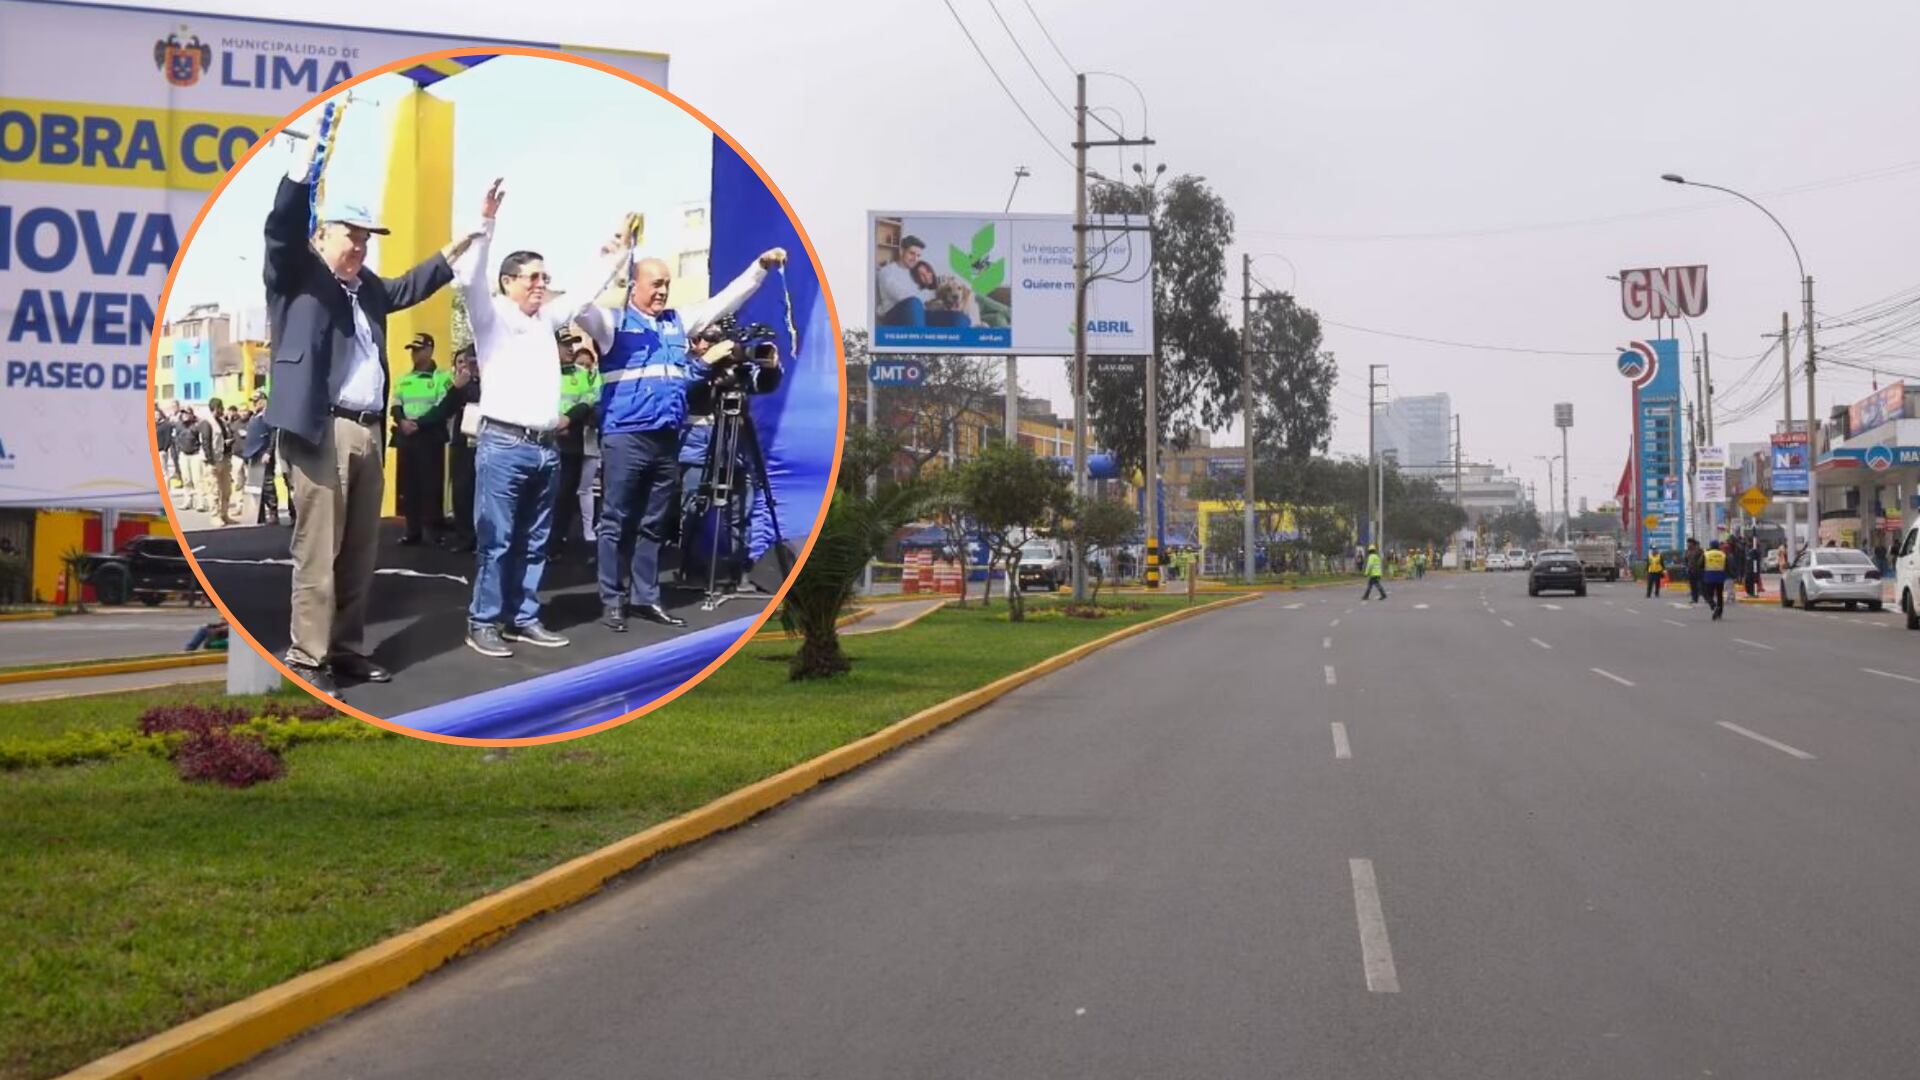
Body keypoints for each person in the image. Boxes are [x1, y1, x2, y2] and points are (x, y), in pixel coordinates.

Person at [262, 131, 473, 695]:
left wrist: (463, 243)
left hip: (367, 431)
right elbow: (281, 230)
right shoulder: (297, 275)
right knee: (318, 551)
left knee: (359, 553)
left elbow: (410, 286)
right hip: (321, 428)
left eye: (365, 239)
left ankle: (346, 649)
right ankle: (308, 657)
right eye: (350, 236)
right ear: (321, 236)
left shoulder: (368, 289)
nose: (359, 247)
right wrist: (302, 168)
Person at [454, 179, 626, 657]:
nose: (540, 285)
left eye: (544, 278)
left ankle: (522, 617)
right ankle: (484, 621)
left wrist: (615, 255)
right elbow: (470, 280)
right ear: (508, 282)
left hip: (544, 448)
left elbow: (583, 295)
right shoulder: (491, 317)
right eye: (532, 277)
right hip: (503, 446)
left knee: (534, 540)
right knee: (497, 540)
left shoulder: (545, 321)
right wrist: (486, 222)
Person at [580, 242, 787, 633]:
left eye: (666, 284)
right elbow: (579, 303)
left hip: (665, 440)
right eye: (655, 284)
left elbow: (726, 300)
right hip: (625, 437)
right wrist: (609, 257)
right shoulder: (612, 323)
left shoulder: (677, 322)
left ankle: (645, 598)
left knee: (653, 524)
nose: (662, 291)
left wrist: (760, 267)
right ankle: (612, 600)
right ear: (634, 285)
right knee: (615, 522)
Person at [677, 335, 783, 593]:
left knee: (740, 512)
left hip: (736, 451)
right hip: (699, 451)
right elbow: (682, 389)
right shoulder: (687, 366)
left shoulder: (738, 369)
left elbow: (763, 384)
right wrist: (706, 365)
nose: (711, 344)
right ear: (694, 343)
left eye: (717, 340)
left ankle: (739, 570)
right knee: (694, 510)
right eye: (706, 339)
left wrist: (771, 369)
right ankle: (691, 569)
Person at [389, 333, 453, 546]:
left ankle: (434, 531)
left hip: (430, 437)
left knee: (431, 485)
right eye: (413, 350)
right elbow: (396, 405)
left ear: (430, 350)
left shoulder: (442, 378)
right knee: (409, 486)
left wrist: (419, 423)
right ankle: (412, 530)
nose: (415, 354)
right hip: (407, 437)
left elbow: (442, 407)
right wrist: (402, 422)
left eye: (419, 349)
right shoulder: (404, 379)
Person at [551, 331, 601, 560]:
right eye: (565, 345)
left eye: (572, 344)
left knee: (565, 495)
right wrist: (554, 423)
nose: (570, 349)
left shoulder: (583, 374)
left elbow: (590, 400)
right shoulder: (540, 370)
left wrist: (569, 419)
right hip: (545, 439)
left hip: (572, 442)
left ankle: (556, 543)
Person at [240, 389, 280, 525]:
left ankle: (273, 512)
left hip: (263, 454)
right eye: (253, 401)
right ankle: (259, 513)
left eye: (256, 401)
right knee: (256, 487)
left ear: (263, 401)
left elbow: (273, 435)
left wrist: (269, 452)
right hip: (253, 454)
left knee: (268, 485)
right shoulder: (254, 416)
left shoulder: (268, 415)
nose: (254, 404)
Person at [874, 235, 932, 327]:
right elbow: (902, 296)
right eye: (912, 253)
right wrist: (928, 296)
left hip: (914, 313)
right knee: (913, 303)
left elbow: (921, 296)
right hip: (892, 316)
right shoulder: (887, 271)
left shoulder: (914, 273)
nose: (915, 259)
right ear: (901, 251)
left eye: (918, 256)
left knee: (952, 316)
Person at [1702, 538, 1728, 620]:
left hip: (1709, 577)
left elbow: (1700, 564)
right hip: (1720, 577)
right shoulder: (1723, 554)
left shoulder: (1706, 554)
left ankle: (1713, 606)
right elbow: (1727, 565)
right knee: (1720, 595)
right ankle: (1719, 613)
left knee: (1708, 594)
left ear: (1710, 546)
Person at [1684, 537, 1705, 604]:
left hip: (1698, 571)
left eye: (1689, 543)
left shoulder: (1699, 550)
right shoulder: (1687, 551)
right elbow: (1686, 560)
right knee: (1693, 585)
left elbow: (1703, 559)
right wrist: (1687, 567)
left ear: (1692, 543)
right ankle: (1694, 599)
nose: (1688, 544)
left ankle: (1706, 598)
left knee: (1701, 585)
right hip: (1691, 571)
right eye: (1687, 543)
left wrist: (1701, 567)